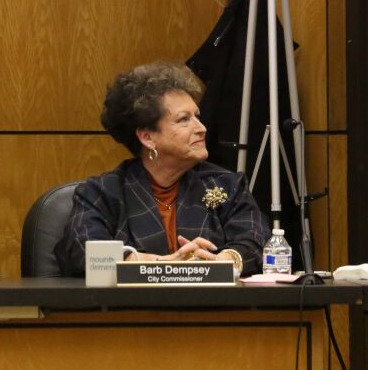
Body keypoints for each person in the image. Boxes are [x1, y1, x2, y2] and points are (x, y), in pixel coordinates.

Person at [56, 62, 268, 276]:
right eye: (184, 120)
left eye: (197, 116)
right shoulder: (101, 193)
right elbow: (83, 250)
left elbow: (257, 241)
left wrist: (223, 260)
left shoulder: (226, 185)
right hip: (133, 308)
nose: (201, 128)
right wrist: (160, 264)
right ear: (147, 137)